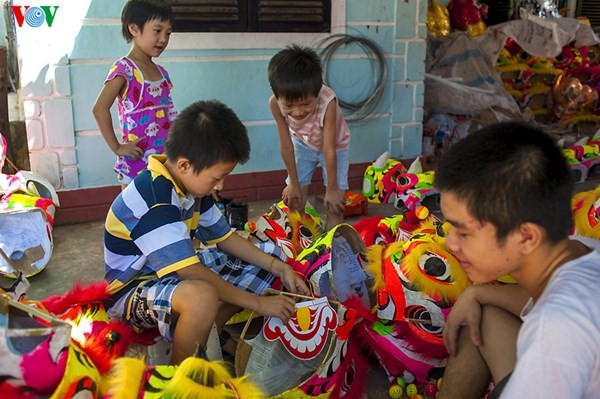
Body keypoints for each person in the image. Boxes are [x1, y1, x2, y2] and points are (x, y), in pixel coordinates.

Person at [104, 100, 310, 365]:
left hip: (169, 275)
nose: (221, 185)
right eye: (216, 178)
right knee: (202, 297)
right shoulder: (155, 197)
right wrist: (258, 304)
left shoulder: (191, 187)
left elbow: (225, 238)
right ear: (184, 166)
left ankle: (213, 330)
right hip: (132, 292)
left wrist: (280, 268)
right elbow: (188, 271)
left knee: (269, 255)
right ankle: (182, 378)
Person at [434, 121, 600, 398]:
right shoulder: (581, 250)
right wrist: (476, 293)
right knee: (481, 316)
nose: (451, 243)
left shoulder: (556, 331)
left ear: (526, 237)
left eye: (464, 231)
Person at [93, 0, 177, 187]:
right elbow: (99, 109)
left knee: (162, 210)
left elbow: (171, 115)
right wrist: (117, 147)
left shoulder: (162, 73)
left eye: (168, 33)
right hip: (136, 164)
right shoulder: (125, 69)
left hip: (165, 162)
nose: (163, 39)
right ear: (134, 29)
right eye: (157, 30)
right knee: (135, 213)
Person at [268, 44, 351, 230]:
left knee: (334, 205)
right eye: (289, 106)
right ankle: (302, 248)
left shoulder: (328, 101)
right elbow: (286, 145)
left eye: (306, 104)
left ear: (317, 90)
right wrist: (294, 183)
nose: (297, 112)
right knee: (295, 200)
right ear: (277, 95)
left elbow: (329, 150)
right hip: (303, 145)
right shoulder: (275, 104)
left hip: (335, 148)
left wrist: (332, 190)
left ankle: (330, 251)